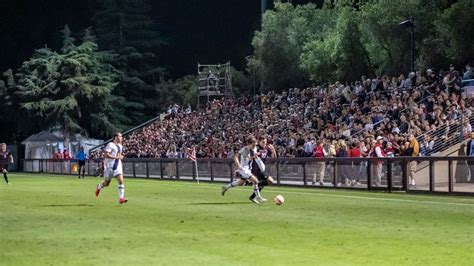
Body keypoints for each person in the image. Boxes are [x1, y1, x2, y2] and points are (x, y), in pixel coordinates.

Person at [221, 137, 265, 203]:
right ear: (249, 144)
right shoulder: (245, 149)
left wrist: (255, 156)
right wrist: (238, 165)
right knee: (255, 181)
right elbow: (235, 156)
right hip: (243, 168)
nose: (254, 146)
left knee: (240, 182)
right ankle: (258, 197)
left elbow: (250, 157)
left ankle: (226, 187)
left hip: (248, 169)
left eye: (255, 144)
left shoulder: (254, 148)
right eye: (253, 144)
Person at [95, 133, 128, 204]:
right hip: (109, 166)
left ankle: (121, 198)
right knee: (106, 183)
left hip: (118, 166)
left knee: (121, 181)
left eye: (121, 136)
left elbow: (120, 155)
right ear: (115, 137)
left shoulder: (120, 146)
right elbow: (106, 155)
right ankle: (99, 186)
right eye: (120, 136)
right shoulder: (110, 145)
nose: (121, 138)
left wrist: (121, 157)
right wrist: (117, 157)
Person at [248, 136, 276, 203]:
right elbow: (249, 156)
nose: (264, 143)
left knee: (266, 182)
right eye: (263, 142)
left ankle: (253, 196)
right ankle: (256, 184)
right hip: (255, 169)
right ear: (259, 142)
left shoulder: (267, 149)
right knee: (270, 181)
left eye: (265, 142)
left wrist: (273, 150)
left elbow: (274, 158)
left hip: (261, 169)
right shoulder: (256, 148)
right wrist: (254, 155)